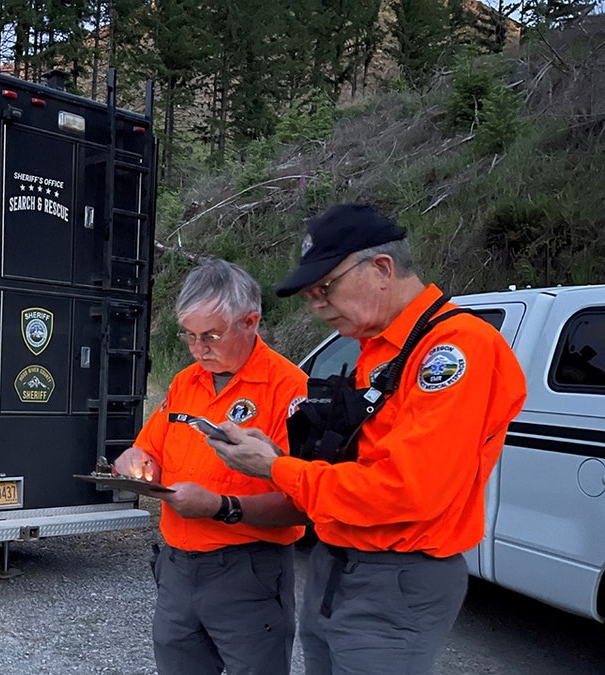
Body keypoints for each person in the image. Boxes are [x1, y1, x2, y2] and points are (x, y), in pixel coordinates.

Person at [209, 204, 527, 675]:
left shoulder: (455, 350)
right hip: (337, 566)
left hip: (394, 577)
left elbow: (405, 491)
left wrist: (275, 469)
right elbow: (363, 462)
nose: (316, 304)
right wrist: (278, 455)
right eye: (310, 294)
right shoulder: (379, 348)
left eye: (325, 287)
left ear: (381, 268)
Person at [112, 257, 307, 675]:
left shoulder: (290, 390)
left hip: (248, 572)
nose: (199, 349)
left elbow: (302, 502)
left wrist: (221, 506)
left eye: (211, 336)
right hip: (177, 570)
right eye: (189, 337)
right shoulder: (186, 381)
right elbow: (147, 451)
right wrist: (134, 461)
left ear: (250, 322)